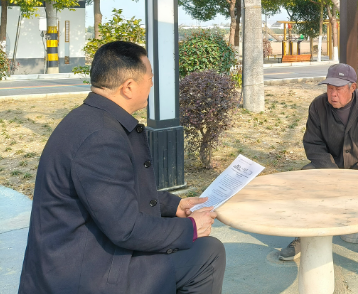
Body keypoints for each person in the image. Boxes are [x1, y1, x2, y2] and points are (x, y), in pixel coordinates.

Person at [19, 41, 225, 294]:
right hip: (82, 276)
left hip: (75, 258)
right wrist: (191, 228)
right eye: (150, 78)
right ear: (128, 87)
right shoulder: (101, 137)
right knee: (207, 253)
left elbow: (116, 193)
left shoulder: (88, 119)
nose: (152, 84)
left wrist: (174, 206)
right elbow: (127, 229)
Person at [279, 63, 358, 262]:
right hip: (330, 166)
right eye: (329, 88)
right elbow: (313, 144)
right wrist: (333, 172)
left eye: (338, 89)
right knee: (305, 179)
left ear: (353, 87)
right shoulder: (318, 106)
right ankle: (302, 236)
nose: (332, 94)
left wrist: (355, 173)